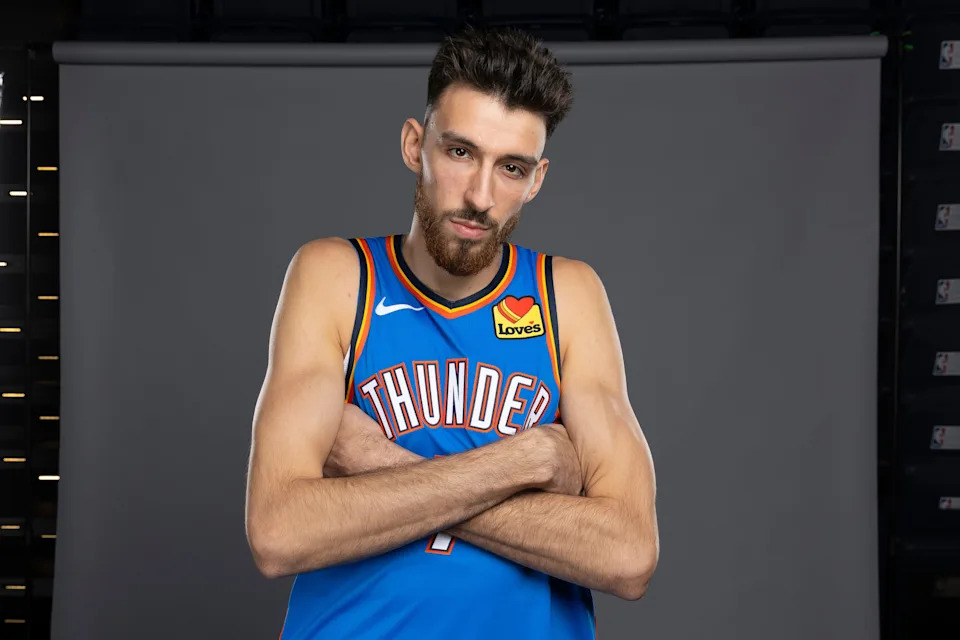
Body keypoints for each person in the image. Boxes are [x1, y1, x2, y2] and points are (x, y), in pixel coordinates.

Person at [245, 26, 659, 640]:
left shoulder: (566, 294)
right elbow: (278, 533)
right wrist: (526, 461)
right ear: (415, 145)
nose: (480, 196)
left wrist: (378, 461)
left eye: (511, 168)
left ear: (537, 180)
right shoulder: (337, 277)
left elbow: (627, 555)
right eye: (461, 152)